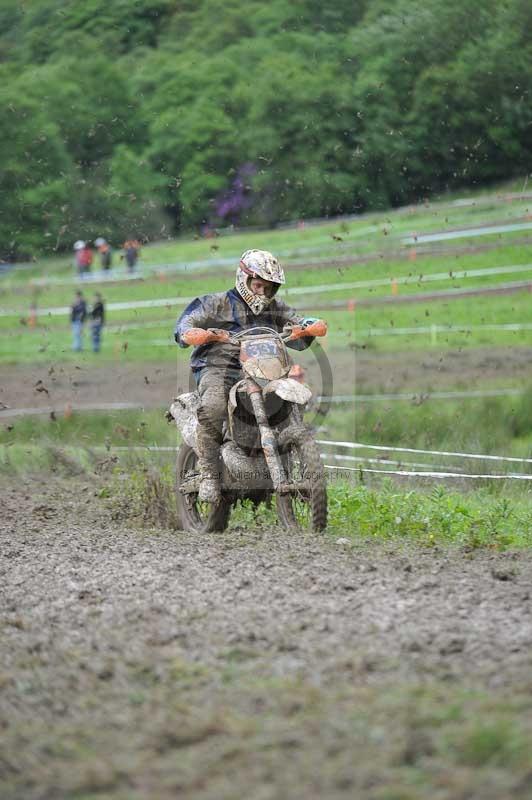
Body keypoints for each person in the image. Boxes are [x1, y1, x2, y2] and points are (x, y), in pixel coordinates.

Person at [174, 248, 327, 503]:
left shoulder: (275, 308)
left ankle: (294, 459)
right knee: (213, 405)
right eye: (258, 285)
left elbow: (299, 322)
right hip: (220, 369)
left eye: (269, 288)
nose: (263, 293)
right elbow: (186, 323)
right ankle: (209, 474)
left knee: (292, 397)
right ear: (243, 278)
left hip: (265, 369)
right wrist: (195, 333)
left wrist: (310, 326)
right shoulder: (216, 303)